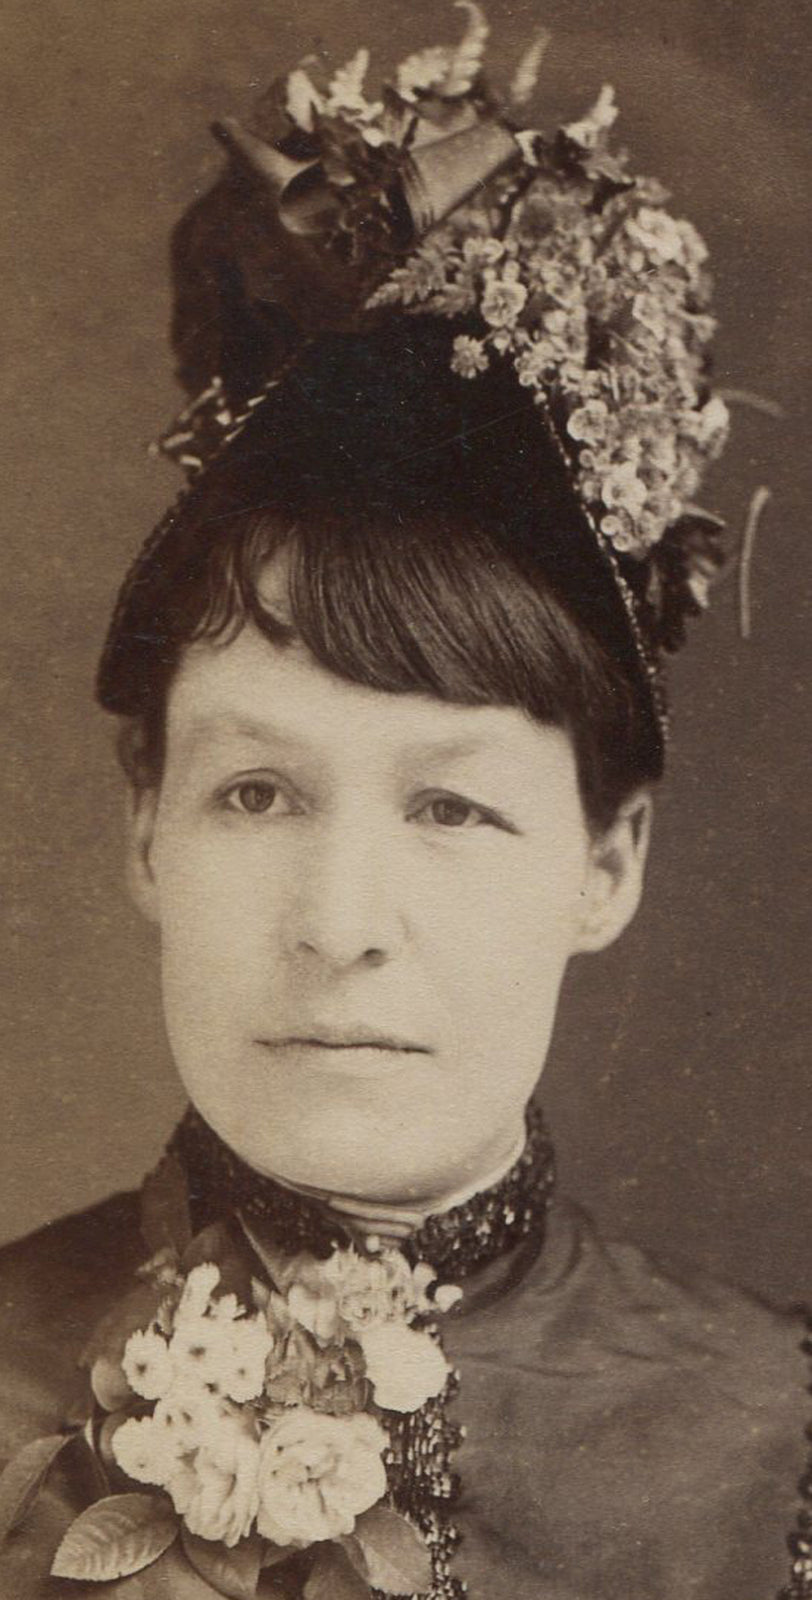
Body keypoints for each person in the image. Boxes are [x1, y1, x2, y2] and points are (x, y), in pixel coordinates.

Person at [0, 12, 808, 1600]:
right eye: (254, 790)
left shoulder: (780, 1448)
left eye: (452, 810)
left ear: (607, 861)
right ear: (144, 822)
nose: (340, 926)